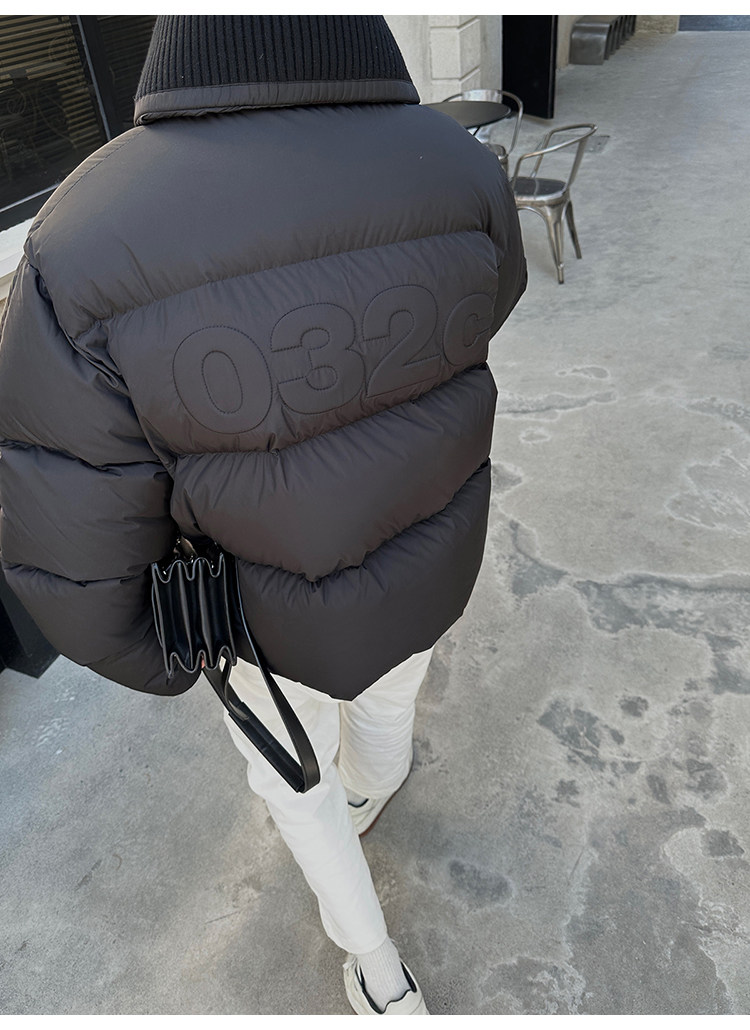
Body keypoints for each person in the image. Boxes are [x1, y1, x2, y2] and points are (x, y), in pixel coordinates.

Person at [0, 15, 526, 1015]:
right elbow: (491, 302)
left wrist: (163, 653)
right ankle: (378, 784)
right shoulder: (459, 166)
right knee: (394, 686)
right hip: (429, 542)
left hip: (257, 611)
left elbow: (72, 519)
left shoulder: (81, 238)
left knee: (293, 778)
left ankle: (379, 968)